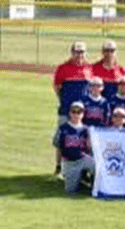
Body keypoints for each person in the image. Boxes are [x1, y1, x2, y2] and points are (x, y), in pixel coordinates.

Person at [53, 42, 92, 175]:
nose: (79, 55)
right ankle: (59, 167)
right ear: (72, 53)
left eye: (82, 52)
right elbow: (57, 87)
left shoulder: (89, 68)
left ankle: (82, 169)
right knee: (62, 139)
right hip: (66, 110)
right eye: (77, 52)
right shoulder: (63, 68)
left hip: (83, 112)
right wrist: (65, 101)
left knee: (83, 140)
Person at [52, 102, 94, 194]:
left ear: (83, 114)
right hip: (70, 162)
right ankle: (81, 181)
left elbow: (90, 147)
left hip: (83, 159)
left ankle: (94, 186)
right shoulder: (63, 128)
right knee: (70, 190)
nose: (76, 115)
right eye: (74, 112)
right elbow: (57, 146)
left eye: (79, 112)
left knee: (97, 166)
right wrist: (59, 165)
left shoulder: (86, 129)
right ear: (70, 113)